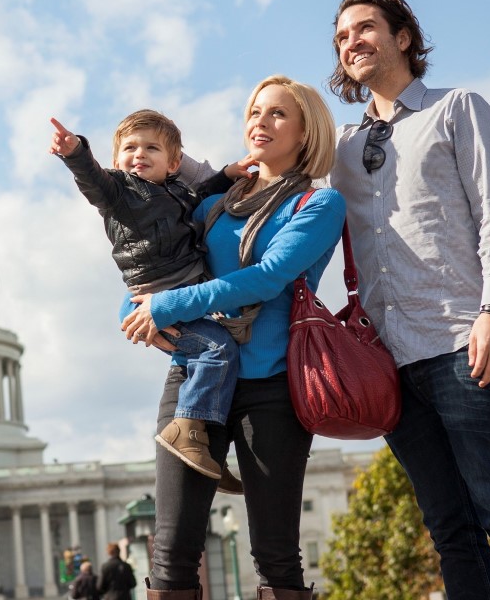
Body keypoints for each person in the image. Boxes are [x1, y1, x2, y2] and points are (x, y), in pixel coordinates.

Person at [327, 0, 490, 599]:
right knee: (449, 531)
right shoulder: (344, 151)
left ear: (403, 36)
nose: (351, 41)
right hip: (388, 365)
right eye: (342, 36)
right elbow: (266, 162)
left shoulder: (458, 108)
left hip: (462, 345)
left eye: (364, 28)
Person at [121, 76, 345, 600]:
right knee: (172, 552)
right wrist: (134, 310)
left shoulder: (319, 204)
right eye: (253, 113)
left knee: (275, 554)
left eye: (276, 115)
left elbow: (268, 277)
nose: (259, 124)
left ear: (306, 130)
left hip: (270, 388)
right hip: (194, 378)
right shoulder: (214, 202)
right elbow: (157, 259)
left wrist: (167, 306)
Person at [50, 111, 252, 484]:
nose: (139, 154)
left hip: (181, 295)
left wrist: (227, 175)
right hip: (157, 298)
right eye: (129, 148)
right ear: (115, 160)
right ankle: (186, 430)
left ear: (174, 163)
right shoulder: (118, 193)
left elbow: (202, 193)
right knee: (218, 350)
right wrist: (75, 152)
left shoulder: (177, 192)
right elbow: (91, 180)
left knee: (215, 358)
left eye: (151, 148)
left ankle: (205, 443)